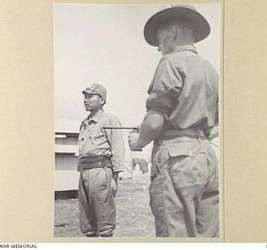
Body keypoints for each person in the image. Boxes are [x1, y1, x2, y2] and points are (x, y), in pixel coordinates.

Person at [128, 5, 219, 237]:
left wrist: (139, 140)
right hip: (206, 158)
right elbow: (214, 127)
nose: (159, 46)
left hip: (176, 159)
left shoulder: (170, 62)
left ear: (172, 32)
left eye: (159, 38)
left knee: (174, 235)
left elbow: (155, 120)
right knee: (207, 235)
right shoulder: (210, 69)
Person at [78, 83, 125, 237]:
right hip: (85, 172)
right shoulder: (84, 123)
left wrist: (115, 179)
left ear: (102, 100)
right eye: (85, 96)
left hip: (100, 172)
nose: (86, 100)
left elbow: (118, 148)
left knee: (104, 221)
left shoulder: (110, 120)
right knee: (87, 224)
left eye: (90, 96)